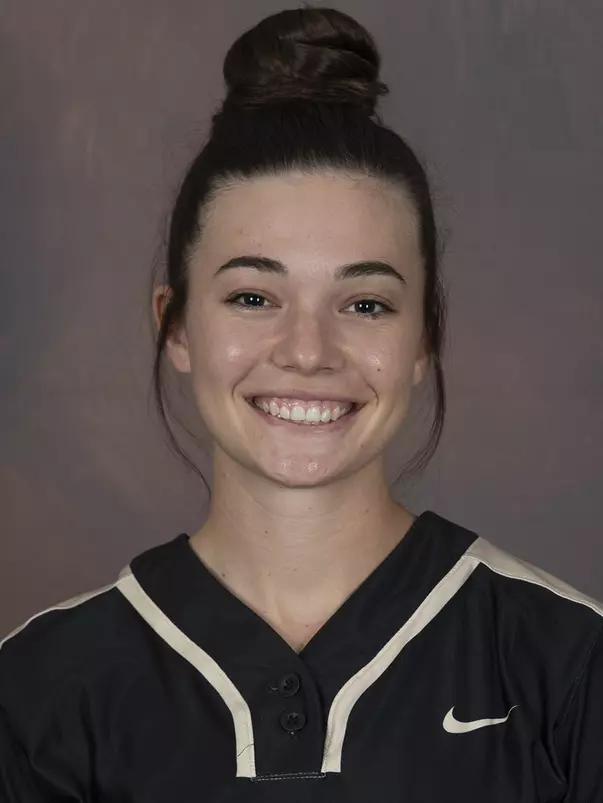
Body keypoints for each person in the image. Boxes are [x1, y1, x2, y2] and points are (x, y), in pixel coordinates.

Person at [1, 6, 601, 801]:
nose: (309, 350)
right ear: (174, 325)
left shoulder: (565, 662)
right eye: (253, 295)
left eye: (365, 304)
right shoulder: (40, 689)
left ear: (424, 339)